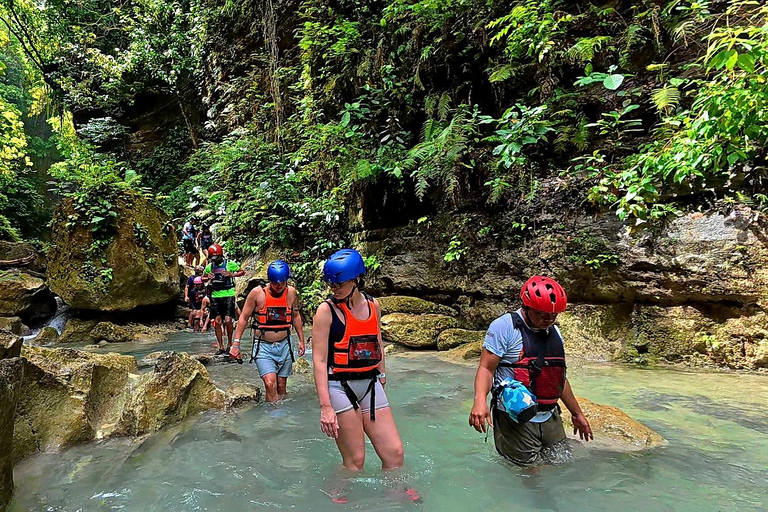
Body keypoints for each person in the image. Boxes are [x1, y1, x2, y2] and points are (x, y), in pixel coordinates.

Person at [469, 276, 593, 467]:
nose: (548, 319)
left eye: (553, 315)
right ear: (526, 307)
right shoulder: (505, 327)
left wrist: (577, 413)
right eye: (541, 313)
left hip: (549, 413)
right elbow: (486, 368)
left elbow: (558, 377)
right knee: (529, 473)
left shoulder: (555, 332)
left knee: (561, 464)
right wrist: (480, 402)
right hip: (515, 416)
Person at [311, 248, 404, 472]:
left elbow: (377, 342)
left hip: (370, 384)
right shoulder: (326, 311)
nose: (334, 288)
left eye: (339, 283)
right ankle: (340, 491)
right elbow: (319, 361)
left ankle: (395, 492)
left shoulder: (373, 305)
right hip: (339, 387)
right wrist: (325, 407)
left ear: (357, 279)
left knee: (395, 454)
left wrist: (382, 376)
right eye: (331, 283)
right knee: (355, 461)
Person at [230, 260, 306, 402]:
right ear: (270, 280)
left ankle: (282, 411)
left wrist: (301, 340)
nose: (279, 286)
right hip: (263, 346)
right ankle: (273, 413)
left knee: (281, 386)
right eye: (275, 283)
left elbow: (295, 315)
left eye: (282, 282)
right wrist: (236, 344)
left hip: (285, 344)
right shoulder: (257, 293)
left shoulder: (291, 293)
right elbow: (243, 318)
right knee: (270, 384)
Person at [203, 244, 245, 355]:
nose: (214, 260)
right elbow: (203, 278)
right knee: (217, 322)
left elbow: (242, 271)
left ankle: (229, 344)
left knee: (228, 320)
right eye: (212, 258)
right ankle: (221, 347)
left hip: (228, 294)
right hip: (215, 295)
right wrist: (208, 277)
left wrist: (232, 274)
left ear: (220, 256)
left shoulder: (230, 264)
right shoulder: (210, 267)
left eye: (216, 258)